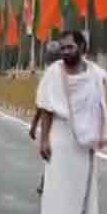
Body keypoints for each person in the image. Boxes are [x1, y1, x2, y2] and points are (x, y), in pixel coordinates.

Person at [34, 30, 107, 214]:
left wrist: (99, 133)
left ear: (82, 47)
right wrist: (44, 139)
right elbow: (46, 107)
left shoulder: (95, 74)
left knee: (84, 183)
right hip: (60, 132)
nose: (66, 51)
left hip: (85, 136)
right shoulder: (53, 72)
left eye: (70, 47)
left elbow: (99, 105)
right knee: (55, 181)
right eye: (63, 48)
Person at [30, 40, 63, 197]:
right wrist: (35, 122)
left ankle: (48, 182)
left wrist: (34, 123)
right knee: (52, 154)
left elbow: (41, 104)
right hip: (54, 122)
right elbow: (42, 103)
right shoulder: (54, 73)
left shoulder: (55, 73)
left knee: (52, 154)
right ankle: (47, 181)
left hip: (58, 123)